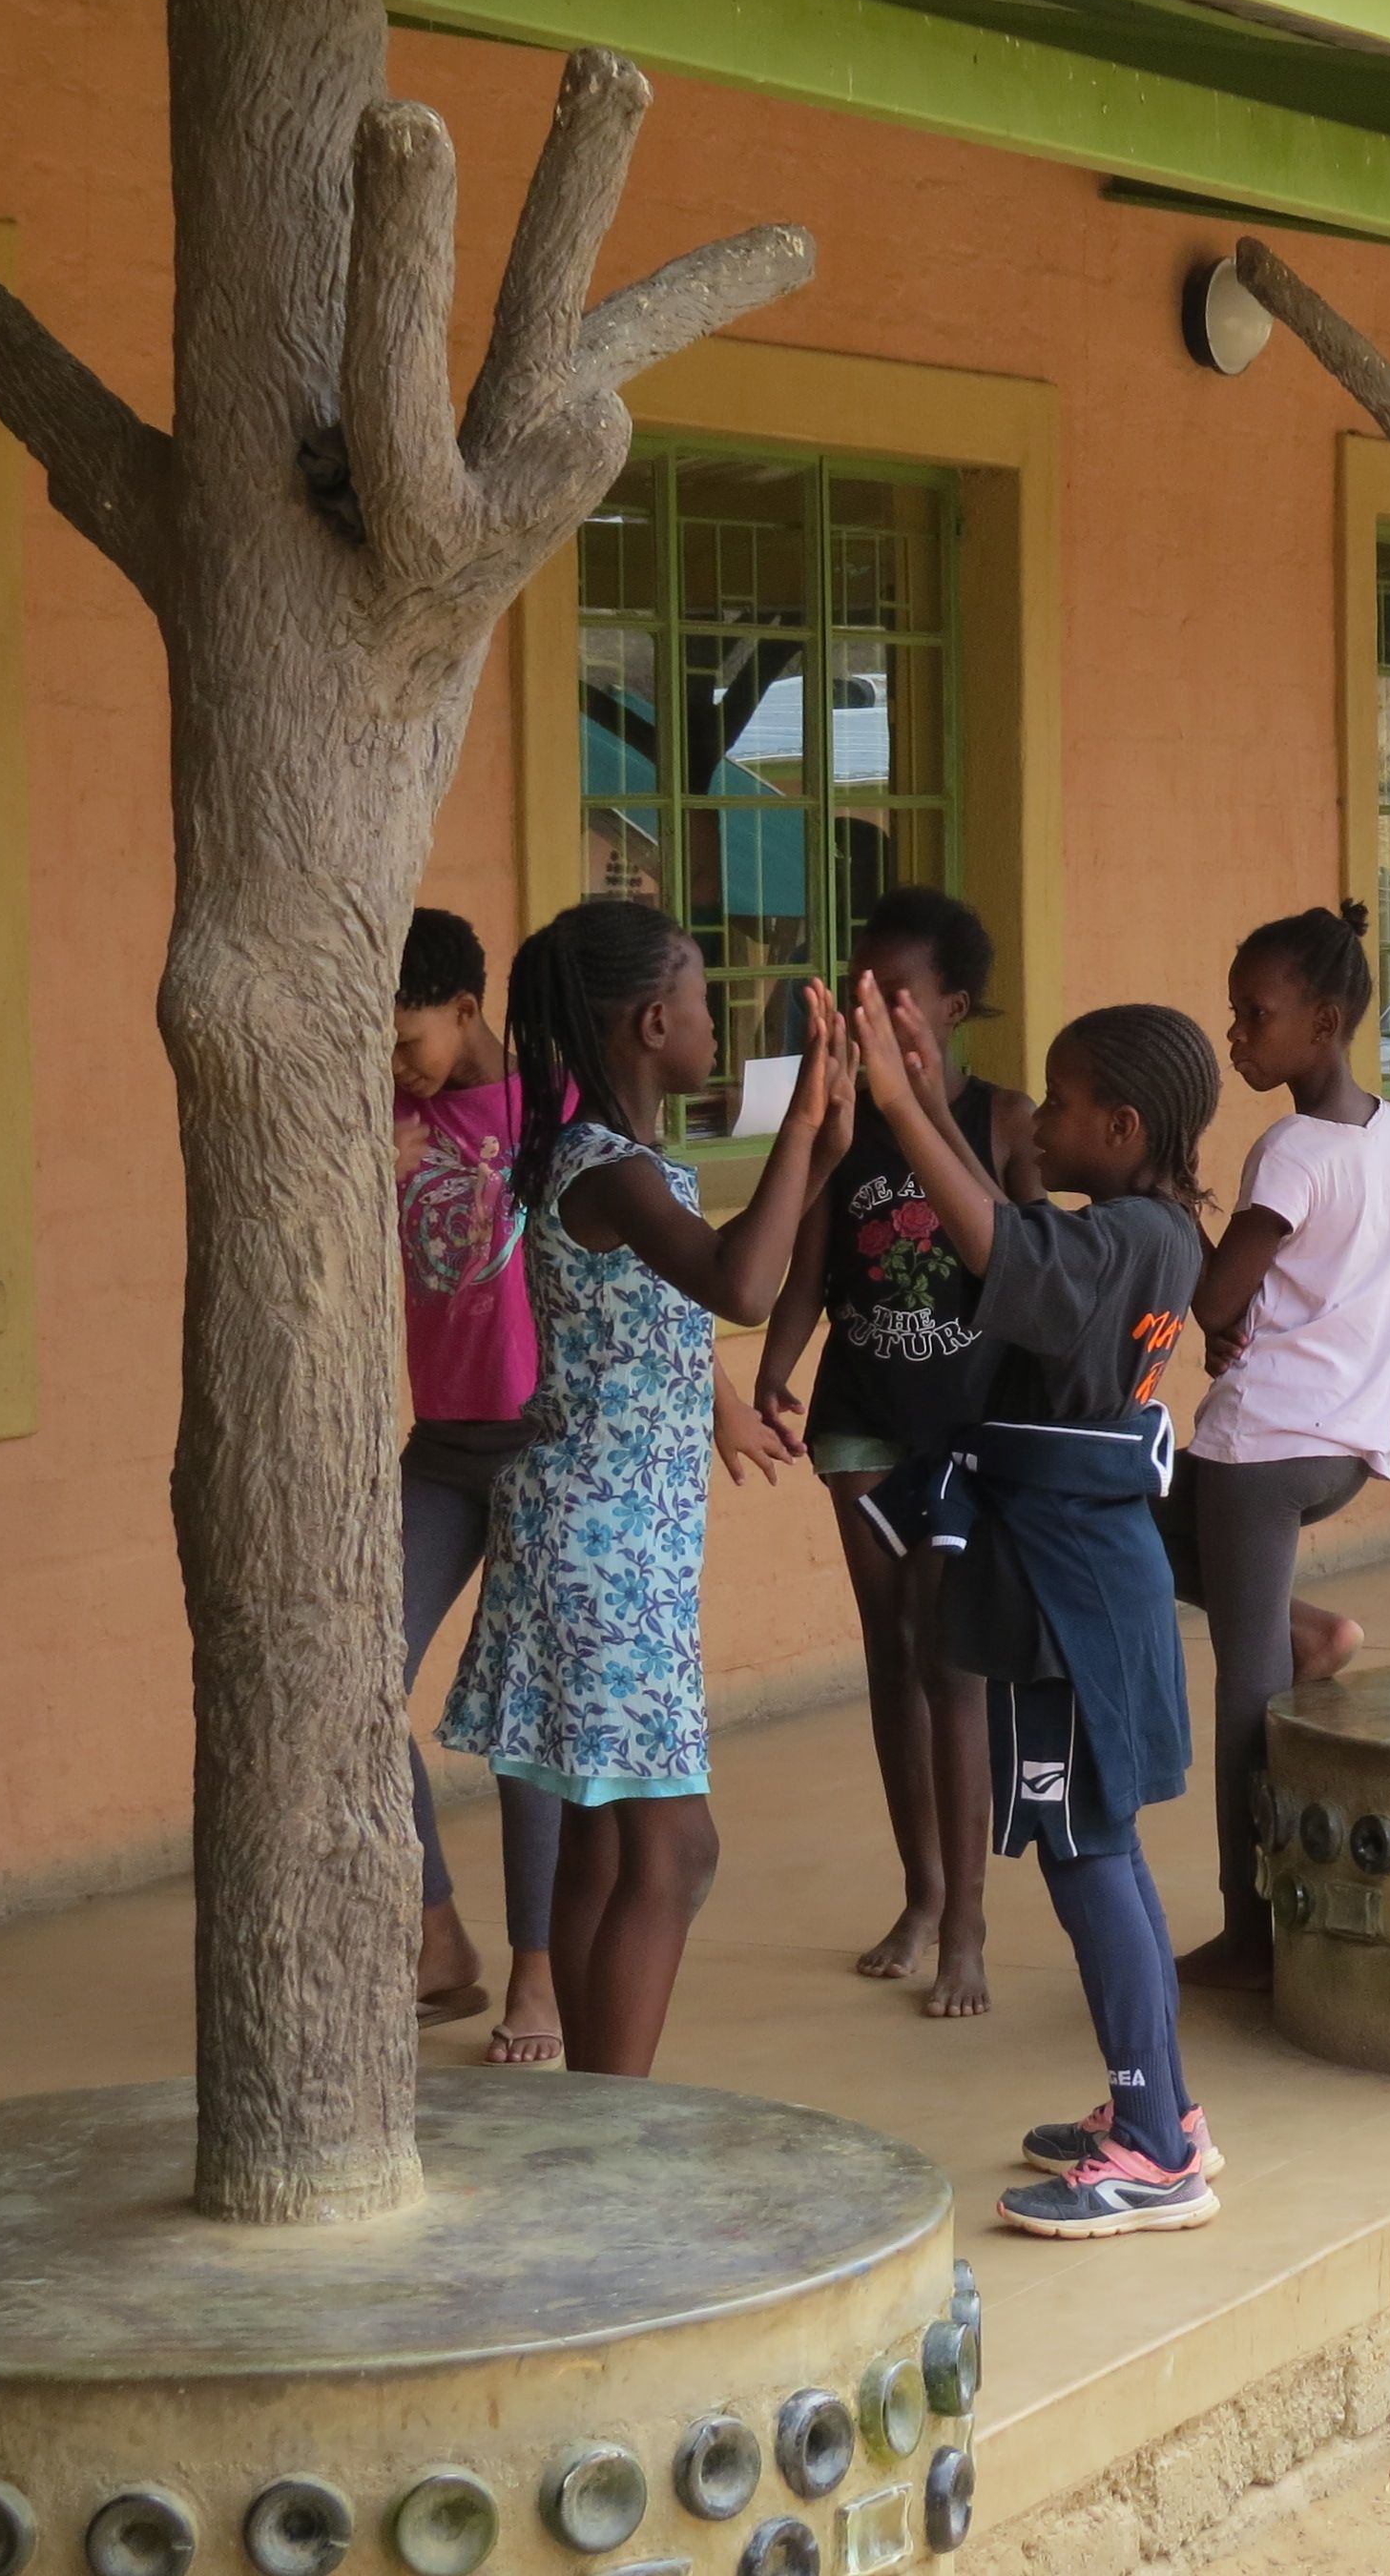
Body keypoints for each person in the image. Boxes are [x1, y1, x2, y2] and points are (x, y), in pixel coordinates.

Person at [440, 900, 843, 2078]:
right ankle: (617, 2122)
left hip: (610, 1543)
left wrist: (821, 1142)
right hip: (602, 1550)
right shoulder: (608, 1175)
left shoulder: (617, 1166)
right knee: (677, 1851)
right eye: (707, 998)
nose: (719, 1021)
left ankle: (589, 2114)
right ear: (654, 1020)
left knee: (606, 1851)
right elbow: (743, 1285)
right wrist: (801, 1123)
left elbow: (740, 1264)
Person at [850, 974, 1224, 2239]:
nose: (1038, 1126)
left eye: (1059, 1107)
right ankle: (1159, 2111)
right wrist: (933, 1111)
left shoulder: (1120, 1240)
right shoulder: (1153, 1233)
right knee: (1102, 1848)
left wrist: (903, 1103)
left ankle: (1153, 2151)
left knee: (1086, 1857)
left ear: (1121, 1129)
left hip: (1070, 1590)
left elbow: (1003, 1247)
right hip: (1085, 1574)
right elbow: (1014, 1242)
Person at [750, 888, 1040, 2019]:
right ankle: (920, 1894)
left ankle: (966, 1922)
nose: (866, 1011)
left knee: (949, 1665)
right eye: (855, 990)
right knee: (891, 1657)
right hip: (862, 1423)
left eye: (893, 994)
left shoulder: (1006, 1122)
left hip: (967, 1434)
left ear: (952, 1009)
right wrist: (777, 1361)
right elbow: (814, 1269)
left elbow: (1032, 1271)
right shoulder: (845, 1123)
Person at [1171, 904, 1390, 1991]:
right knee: (1149, 1542)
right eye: (1234, 1014)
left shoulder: (1290, 1148)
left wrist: (1184, 1219)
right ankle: (1303, 1629)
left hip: (1260, 1446)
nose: (1236, 1036)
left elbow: (1215, 1292)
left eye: (1255, 1016)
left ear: (1323, 1022)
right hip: (1342, 1442)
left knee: (1243, 1693)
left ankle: (1246, 1927)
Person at [392, 908, 571, 2066]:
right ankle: (437, 1933)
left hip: (542, 1442)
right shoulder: (383, 1114)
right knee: (359, 1676)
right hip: (442, 1445)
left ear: (467, 1011)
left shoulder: (554, 1115)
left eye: (409, 1044)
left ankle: (539, 1977)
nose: (396, 1069)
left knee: (525, 1721)